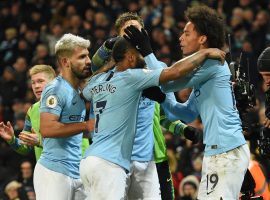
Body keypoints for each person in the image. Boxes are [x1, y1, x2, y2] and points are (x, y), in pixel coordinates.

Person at [124, 5, 250, 200]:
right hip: (218, 151)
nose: (180, 38)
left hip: (225, 151)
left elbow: (169, 81)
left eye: (186, 33)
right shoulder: (204, 70)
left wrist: (147, 50)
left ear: (202, 38)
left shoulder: (213, 63)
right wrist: (162, 99)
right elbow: (185, 114)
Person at [80, 36, 225, 199]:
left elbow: (86, 87)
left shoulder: (97, 81)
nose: (144, 58)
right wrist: (204, 53)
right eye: (140, 54)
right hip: (109, 163)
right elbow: (175, 72)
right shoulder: (132, 77)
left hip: (91, 160)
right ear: (131, 57)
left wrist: (109, 64)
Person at [91, 12, 194, 199]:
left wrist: (183, 130)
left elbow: (166, 115)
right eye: (126, 33)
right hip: (115, 157)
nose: (133, 36)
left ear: (144, 33)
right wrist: (108, 45)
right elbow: (92, 68)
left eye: (136, 30)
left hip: (153, 155)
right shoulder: (110, 75)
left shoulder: (158, 68)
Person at [34, 33, 94, 200]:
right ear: (66, 62)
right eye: (82, 57)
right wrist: (86, 125)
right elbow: (47, 128)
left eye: (88, 55)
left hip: (75, 171)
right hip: (54, 172)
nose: (88, 61)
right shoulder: (56, 89)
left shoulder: (77, 88)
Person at [0, 65, 90, 161]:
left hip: (73, 168)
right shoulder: (32, 110)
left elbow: (75, 143)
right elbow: (25, 148)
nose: (36, 86)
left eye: (40, 81)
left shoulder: (69, 103)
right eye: (33, 83)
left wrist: (40, 141)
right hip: (45, 171)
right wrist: (12, 140)